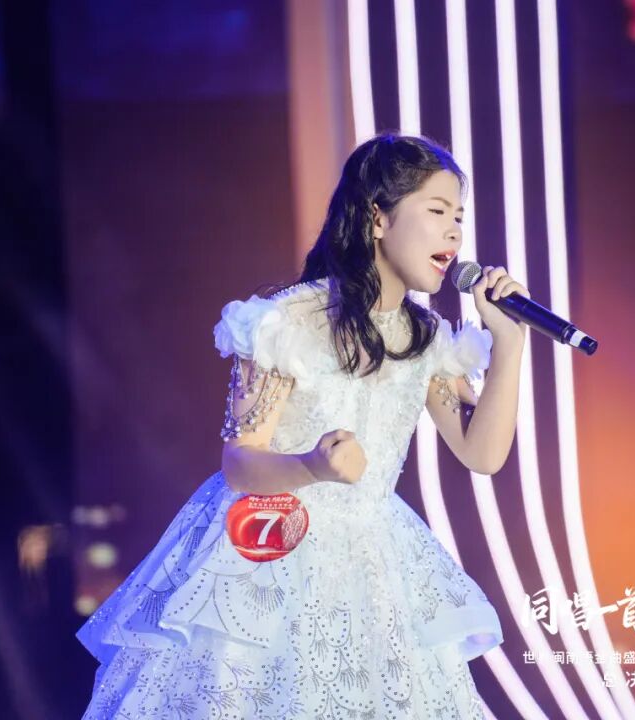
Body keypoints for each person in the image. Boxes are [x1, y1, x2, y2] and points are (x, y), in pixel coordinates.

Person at [78, 132, 531, 719]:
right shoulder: (287, 321)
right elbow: (240, 462)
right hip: (270, 551)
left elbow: (482, 454)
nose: (454, 233)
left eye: (459, 218)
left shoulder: (424, 339)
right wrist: (313, 466)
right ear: (378, 217)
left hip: (374, 566)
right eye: (438, 212)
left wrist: (509, 345)